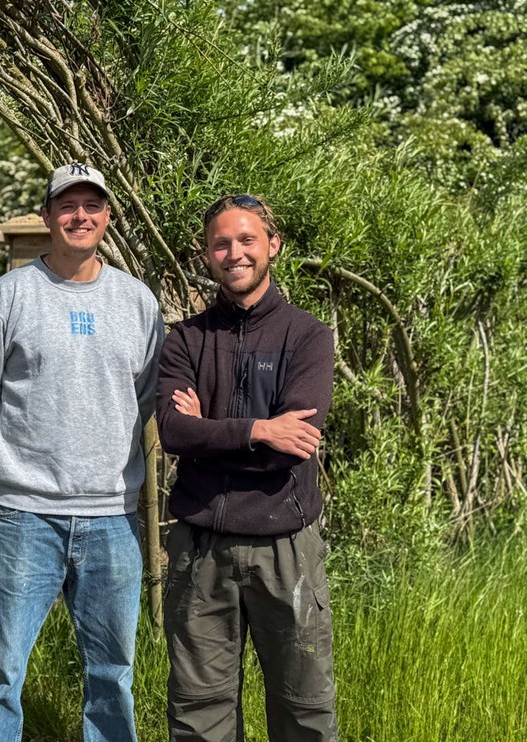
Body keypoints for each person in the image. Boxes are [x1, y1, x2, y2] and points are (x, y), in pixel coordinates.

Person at [0, 162, 164, 742]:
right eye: (66, 206)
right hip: (24, 516)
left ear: (107, 216)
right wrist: (16, 466)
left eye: (91, 206)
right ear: (46, 217)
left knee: (113, 676)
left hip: (114, 517)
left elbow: (145, 397)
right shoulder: (8, 297)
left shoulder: (138, 303)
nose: (79, 216)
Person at [156, 194, 338, 741]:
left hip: (287, 547)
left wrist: (209, 432)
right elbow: (174, 432)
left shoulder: (307, 336)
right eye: (221, 243)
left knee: (303, 707)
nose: (234, 252)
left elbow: (293, 447)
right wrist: (260, 428)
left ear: (272, 246)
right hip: (200, 548)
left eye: (246, 240)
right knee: (198, 713)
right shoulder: (185, 340)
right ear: (208, 256)